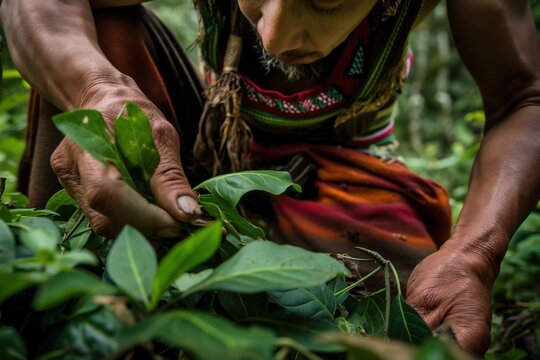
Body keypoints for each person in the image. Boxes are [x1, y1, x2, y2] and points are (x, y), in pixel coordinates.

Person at [1, 0, 540, 355]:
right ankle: (61, 281)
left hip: (345, 170)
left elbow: (525, 96)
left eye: (324, 0)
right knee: (97, 31)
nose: (276, 33)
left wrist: (475, 252)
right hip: (204, 143)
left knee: (387, 322)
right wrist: (97, 92)